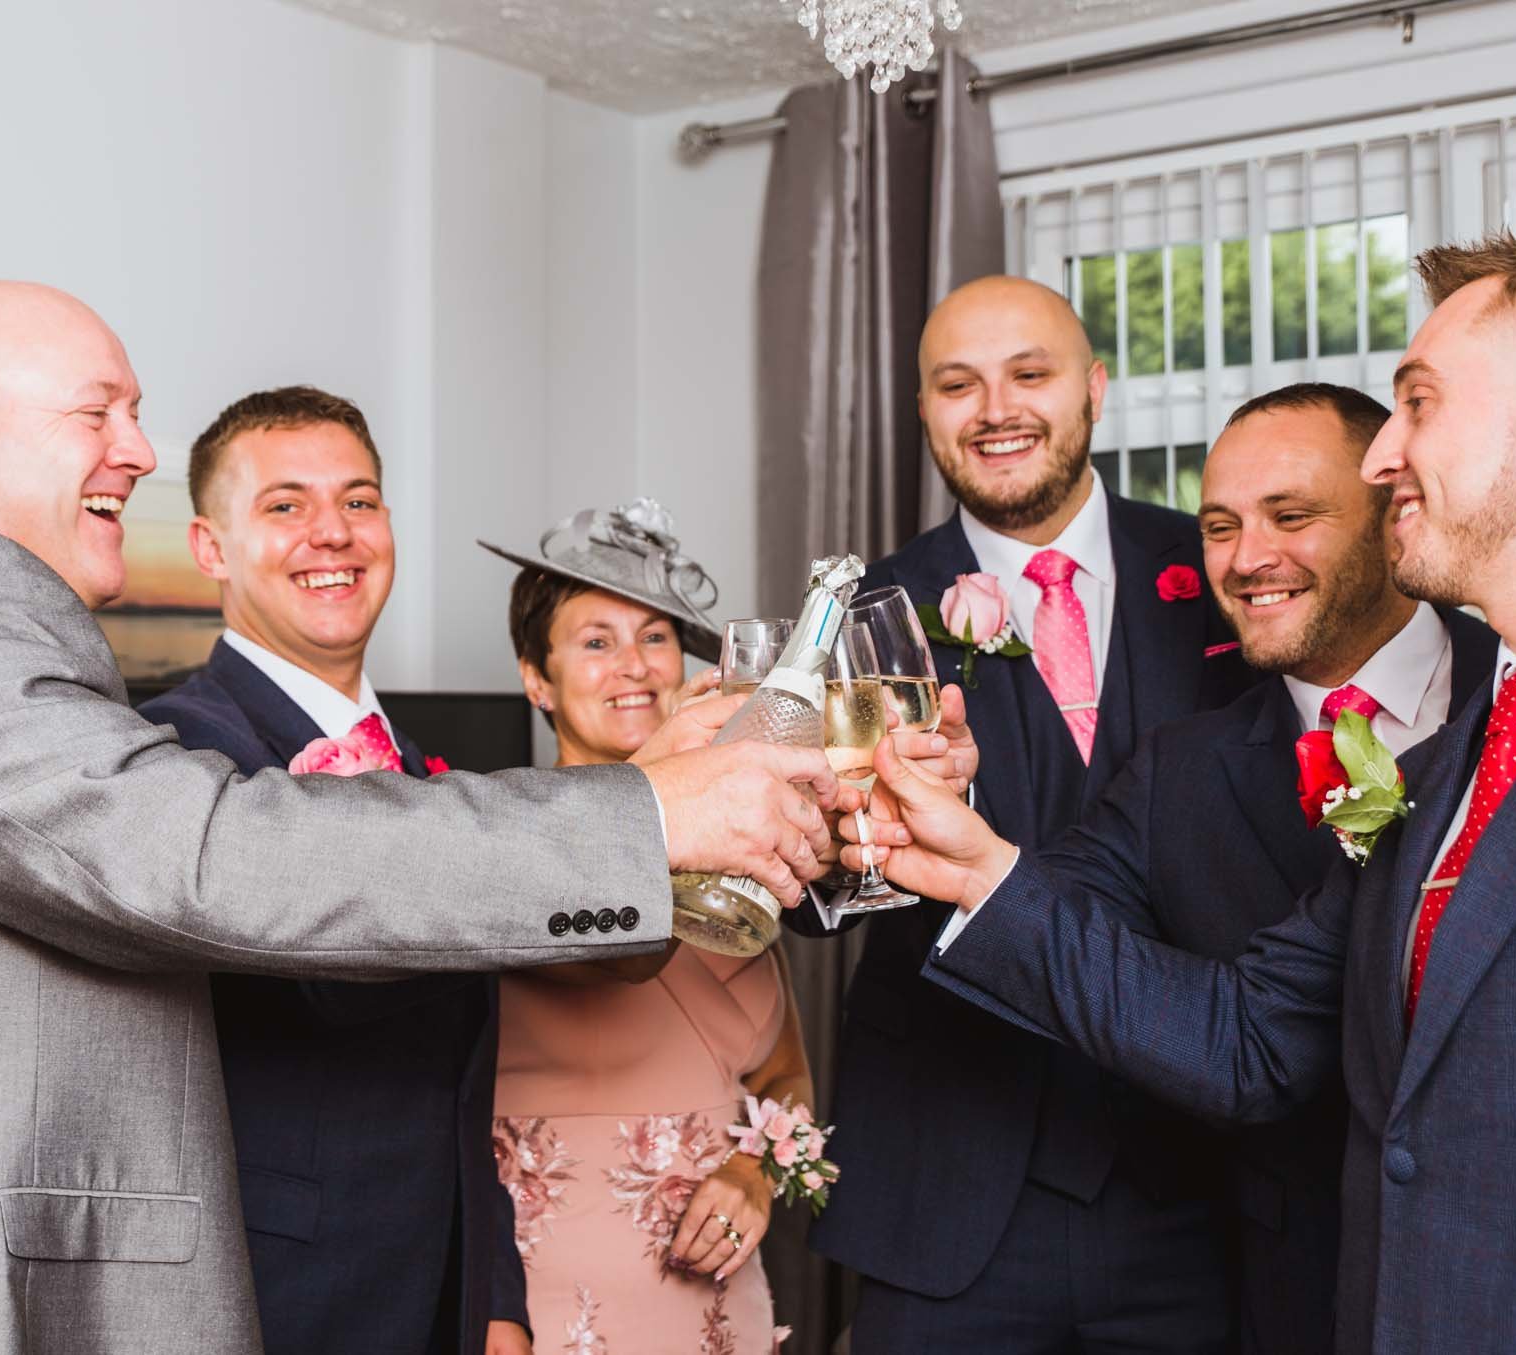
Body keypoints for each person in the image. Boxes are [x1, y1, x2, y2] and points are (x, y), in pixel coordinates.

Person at [0, 280, 844, 1355]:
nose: (137, 450)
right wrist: (638, 813)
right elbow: (207, 853)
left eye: (136, 414)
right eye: (99, 412)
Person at [858, 226, 1516, 1353]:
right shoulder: (1450, 763)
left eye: (1417, 402)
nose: (1383, 459)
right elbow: (1245, 1041)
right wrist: (969, 860)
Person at [968, 381, 1496, 1353]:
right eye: (1218, 525)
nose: (1247, 558)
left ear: (1392, 511)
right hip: (1285, 1297)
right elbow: (1044, 909)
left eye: (1289, 516)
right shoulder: (1178, 769)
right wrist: (947, 835)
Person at [787, 274, 1256, 1354]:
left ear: (1093, 388)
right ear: (922, 412)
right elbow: (809, 898)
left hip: (1193, 1179)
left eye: (1028, 374)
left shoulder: (1223, 567)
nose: (994, 407)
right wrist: (873, 831)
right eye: (957, 384)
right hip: (952, 1184)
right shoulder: (858, 611)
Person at [136, 386, 529, 1354]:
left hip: (443, 1279)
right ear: (210, 547)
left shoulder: (427, 756)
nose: (333, 533)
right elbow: (330, 987)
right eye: (284, 505)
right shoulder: (182, 750)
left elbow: (458, 1075)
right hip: (289, 1286)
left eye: (358, 500)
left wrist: (495, 1289)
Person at [481, 503, 815, 1354]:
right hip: (544, 1309)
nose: (634, 665)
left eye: (656, 636)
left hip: (715, 1310)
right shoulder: (498, 842)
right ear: (536, 679)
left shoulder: (743, 862)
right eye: (596, 641)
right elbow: (618, 957)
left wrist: (756, 1173)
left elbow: (786, 1080)